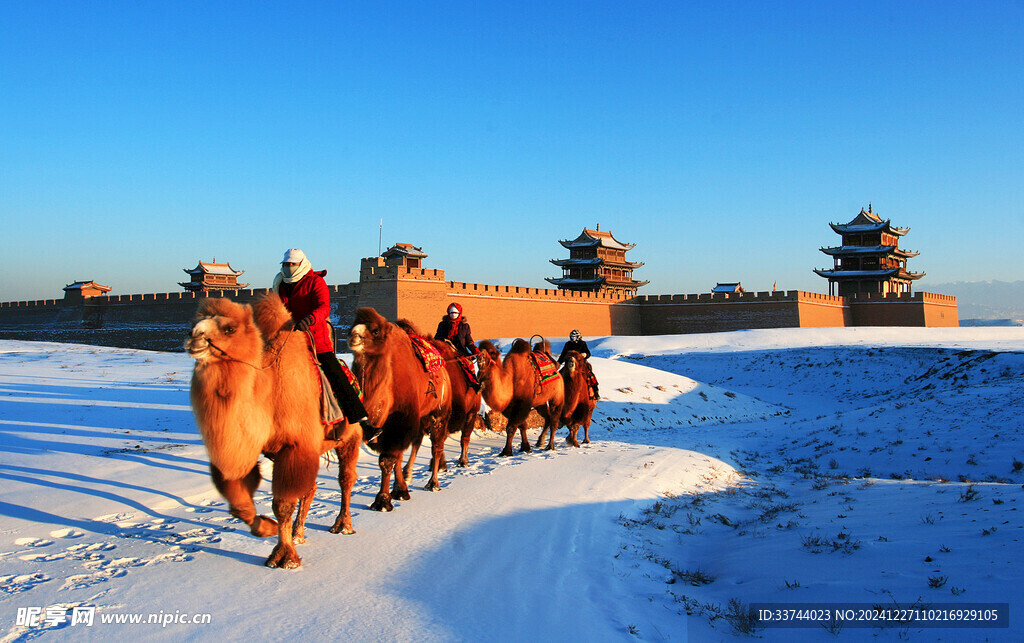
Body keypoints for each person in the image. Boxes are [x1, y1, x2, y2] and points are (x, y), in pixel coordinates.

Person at [274, 249, 382, 442]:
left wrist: (310, 319)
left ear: (301, 264)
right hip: (288, 339)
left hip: (315, 340)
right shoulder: (280, 284)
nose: (288, 268)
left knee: (336, 375)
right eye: (285, 265)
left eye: (292, 265)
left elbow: (324, 307)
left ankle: (362, 421)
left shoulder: (315, 282)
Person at [558, 329, 599, 400]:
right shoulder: (568, 344)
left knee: (590, 375)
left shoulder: (582, 344)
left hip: (580, 364)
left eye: (575, 337)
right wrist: (558, 363)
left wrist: (584, 354)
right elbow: (563, 355)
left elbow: (588, 353)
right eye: (572, 337)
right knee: (560, 375)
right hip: (568, 364)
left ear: (578, 337)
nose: (573, 339)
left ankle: (596, 391)